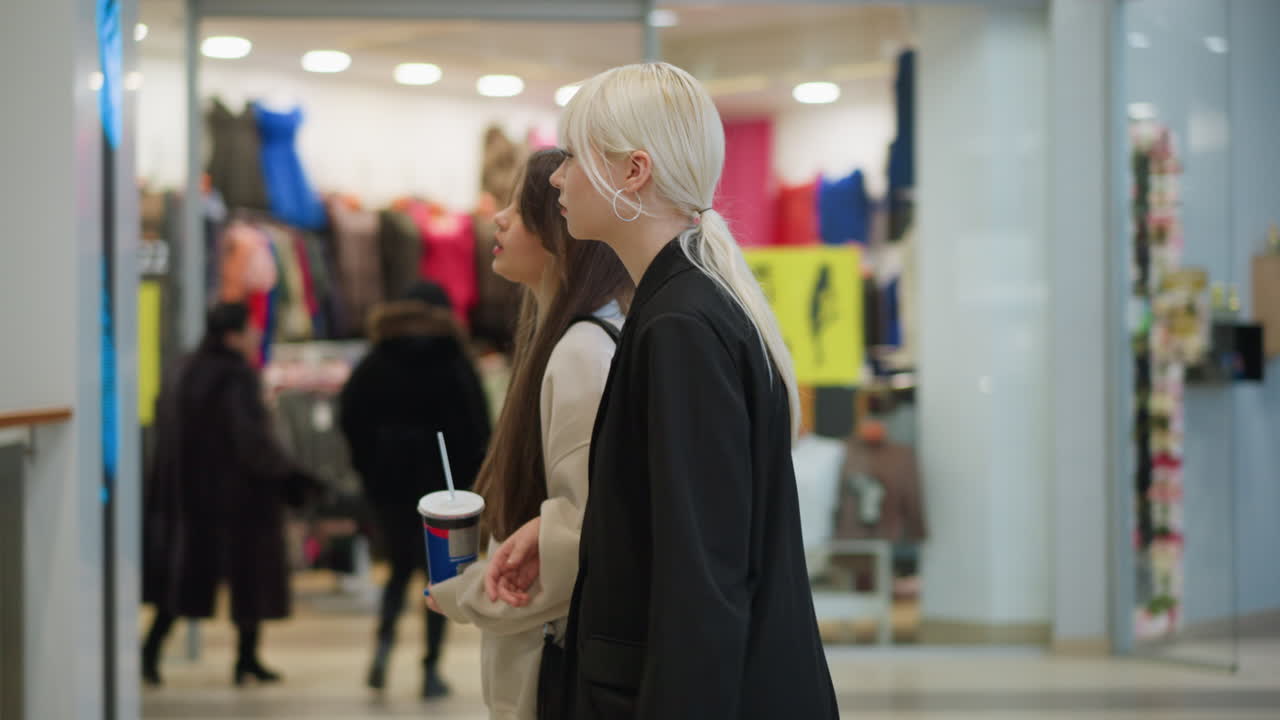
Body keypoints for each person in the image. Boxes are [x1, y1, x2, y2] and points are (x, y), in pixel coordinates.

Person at [488, 62, 840, 718]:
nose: (557, 177)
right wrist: (579, 530)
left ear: (634, 172)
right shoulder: (680, 306)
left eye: (572, 157)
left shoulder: (679, 325)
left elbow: (702, 576)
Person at [425, 148, 632, 720]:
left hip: (556, 666)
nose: (499, 218)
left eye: (522, 206)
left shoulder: (581, 352)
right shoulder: (573, 341)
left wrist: (462, 594)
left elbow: (579, 541)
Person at [142, 302, 318, 687]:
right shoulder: (236, 376)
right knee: (249, 576)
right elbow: (250, 440)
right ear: (233, 335)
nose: (257, 336)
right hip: (238, 494)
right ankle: (245, 659)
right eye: (251, 330)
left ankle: (151, 651)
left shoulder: (182, 369)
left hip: (186, 493)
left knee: (184, 576)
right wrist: (292, 476)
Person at [338, 281, 492, 699]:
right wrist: (470, 480)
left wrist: (370, 468)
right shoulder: (452, 356)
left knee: (398, 570)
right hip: (443, 490)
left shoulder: (377, 357)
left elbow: (350, 416)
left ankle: (383, 651)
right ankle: (430, 670)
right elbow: (477, 424)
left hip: (390, 485)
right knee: (440, 578)